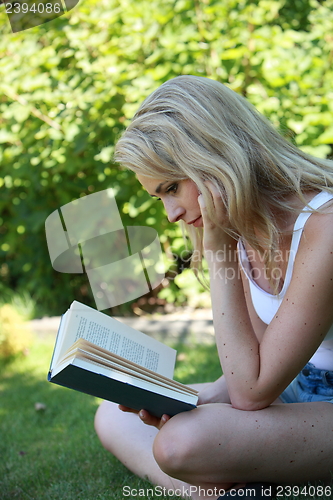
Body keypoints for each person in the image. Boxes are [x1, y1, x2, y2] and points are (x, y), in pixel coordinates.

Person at [94, 75, 333, 499]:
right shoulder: (246, 227)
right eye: (158, 197)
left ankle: (223, 484)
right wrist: (172, 401)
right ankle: (230, 489)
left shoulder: (324, 228)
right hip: (299, 386)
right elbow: (255, 364)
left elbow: (252, 391)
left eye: (171, 187)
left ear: (214, 154)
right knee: (112, 417)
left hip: (309, 400)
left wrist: (219, 249)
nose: (170, 214)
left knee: (183, 443)